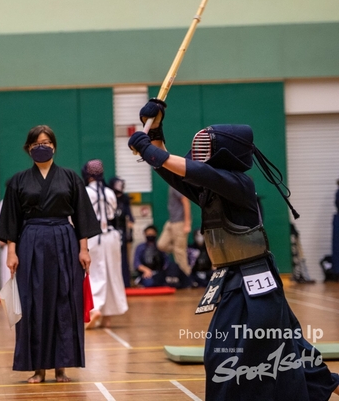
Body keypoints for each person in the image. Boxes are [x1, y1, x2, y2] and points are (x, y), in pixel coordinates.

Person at [128, 98, 339, 400]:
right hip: (232, 277)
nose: (198, 152)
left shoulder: (238, 183)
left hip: (255, 280)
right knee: (290, 347)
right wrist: (155, 132)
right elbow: (172, 171)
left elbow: (188, 169)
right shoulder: (212, 190)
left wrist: (148, 149)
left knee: (230, 351)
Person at [0, 125, 100, 384]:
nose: (41, 147)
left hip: (65, 241)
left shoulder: (70, 177)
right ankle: (38, 368)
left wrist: (84, 249)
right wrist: (11, 253)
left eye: (46, 142)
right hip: (30, 241)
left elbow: (82, 216)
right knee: (33, 304)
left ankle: (61, 366)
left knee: (65, 300)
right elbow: (11, 220)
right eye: (36, 143)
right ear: (28, 148)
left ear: (54, 146)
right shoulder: (18, 180)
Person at [82, 160, 128, 328]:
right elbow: (113, 214)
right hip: (111, 236)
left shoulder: (85, 192)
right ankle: (108, 317)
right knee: (112, 274)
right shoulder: (110, 192)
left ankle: (94, 309)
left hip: (93, 237)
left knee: (94, 273)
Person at [157, 186, 192, 277]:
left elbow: (186, 201)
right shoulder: (171, 186)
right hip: (171, 222)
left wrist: (187, 223)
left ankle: (186, 276)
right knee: (161, 244)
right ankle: (180, 250)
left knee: (179, 251)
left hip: (180, 222)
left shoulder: (176, 186)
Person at [108, 177, 135, 286]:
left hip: (121, 231)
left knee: (123, 257)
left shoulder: (124, 200)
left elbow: (130, 217)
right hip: (110, 232)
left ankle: (125, 281)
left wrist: (130, 233)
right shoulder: (108, 197)